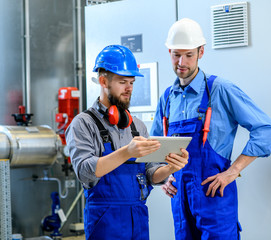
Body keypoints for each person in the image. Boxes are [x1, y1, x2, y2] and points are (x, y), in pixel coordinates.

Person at [150, 18, 271, 240]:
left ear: (201, 52)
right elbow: (156, 146)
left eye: (189, 54)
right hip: (180, 203)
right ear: (169, 52)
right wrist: (164, 177)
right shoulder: (167, 98)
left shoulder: (220, 90)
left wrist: (233, 171)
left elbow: (266, 129)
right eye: (176, 54)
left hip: (214, 200)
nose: (181, 61)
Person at [65, 45, 189, 240]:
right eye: (122, 82)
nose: (129, 88)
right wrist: (127, 152)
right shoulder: (83, 123)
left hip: (138, 218)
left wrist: (171, 167)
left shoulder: (137, 126)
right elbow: (85, 171)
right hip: (105, 221)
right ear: (103, 81)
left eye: (131, 82)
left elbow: (151, 174)